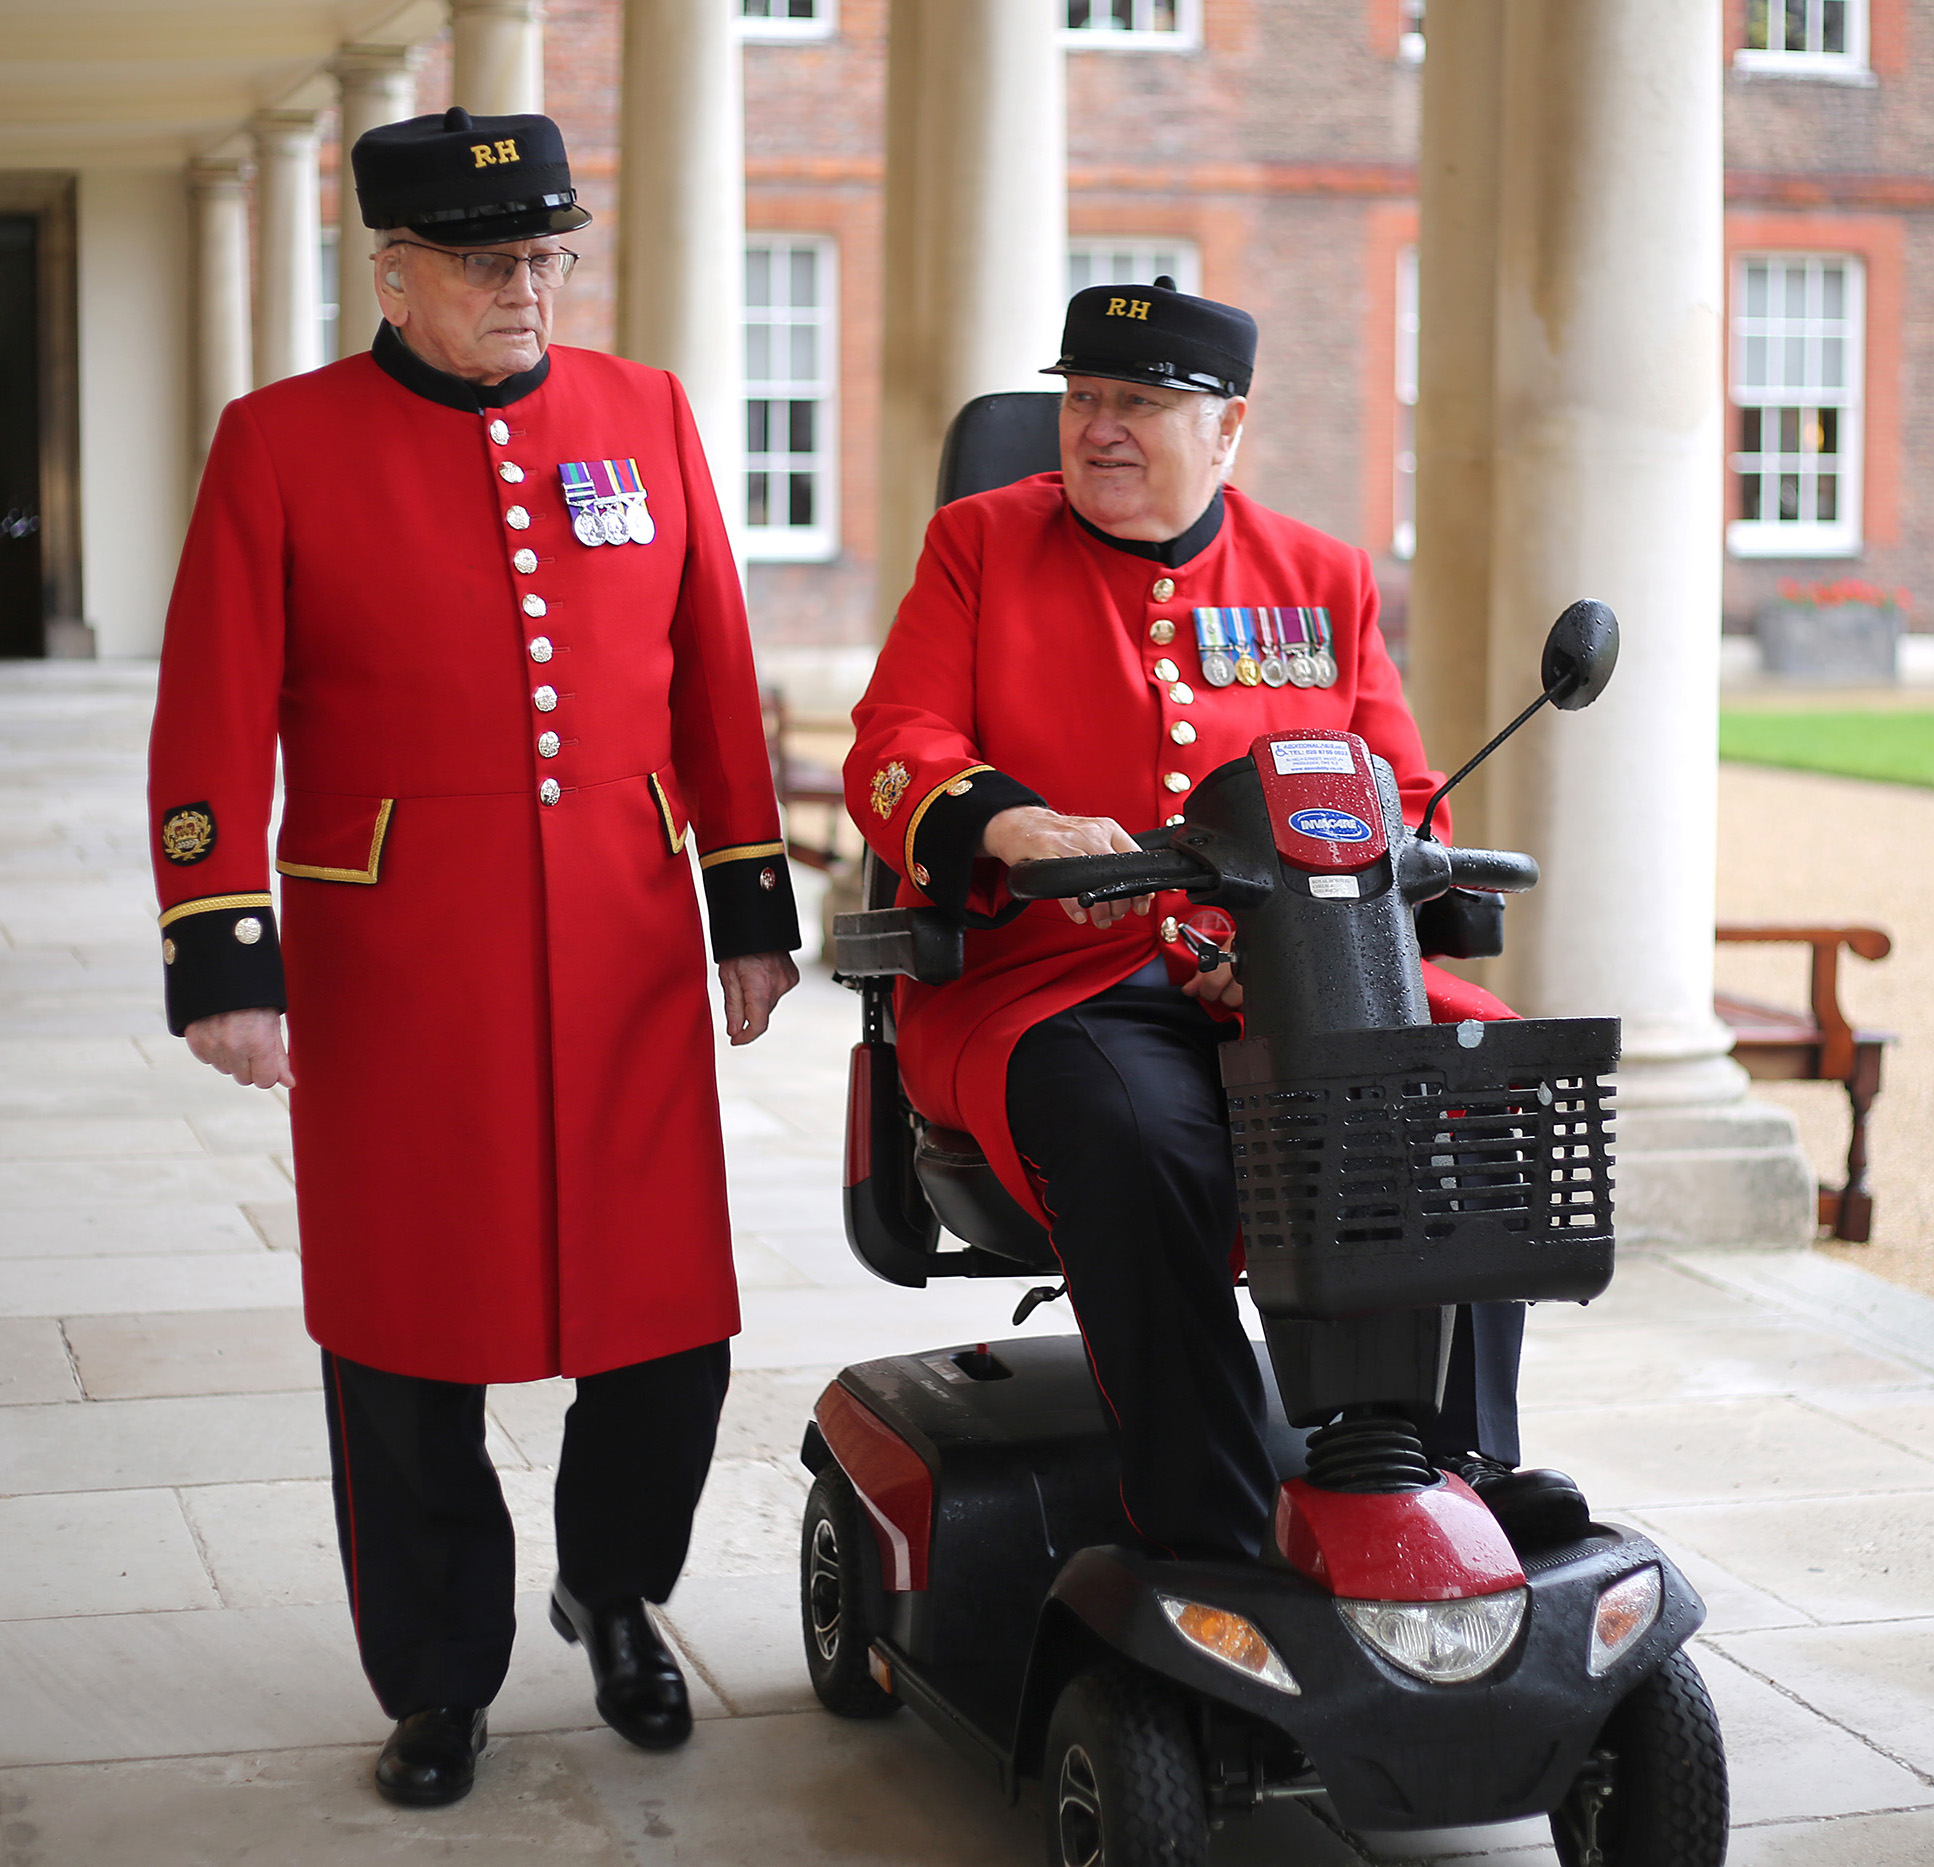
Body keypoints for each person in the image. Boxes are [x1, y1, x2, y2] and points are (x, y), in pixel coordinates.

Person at [148, 108, 800, 1809]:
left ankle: (616, 1591)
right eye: (493, 262)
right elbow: (210, 711)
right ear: (395, 271)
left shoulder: (644, 413)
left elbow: (710, 675)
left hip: (623, 941)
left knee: (667, 1325)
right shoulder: (278, 441)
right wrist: (223, 946)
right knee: (406, 1338)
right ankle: (437, 1682)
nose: (531, 287)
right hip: (395, 958)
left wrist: (745, 905)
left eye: (548, 257)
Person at [845, 281, 1588, 1564]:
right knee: (1146, 1131)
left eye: (1140, 402)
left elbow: (1396, 796)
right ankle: (1201, 1520)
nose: (1098, 428)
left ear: (1227, 428)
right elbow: (894, 747)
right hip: (1046, 979)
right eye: (1081, 398)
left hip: (1294, 971)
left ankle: (1453, 1462)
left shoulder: (1322, 577)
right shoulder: (978, 544)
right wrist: (1008, 824)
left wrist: (1316, 936)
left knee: (1480, 1079)